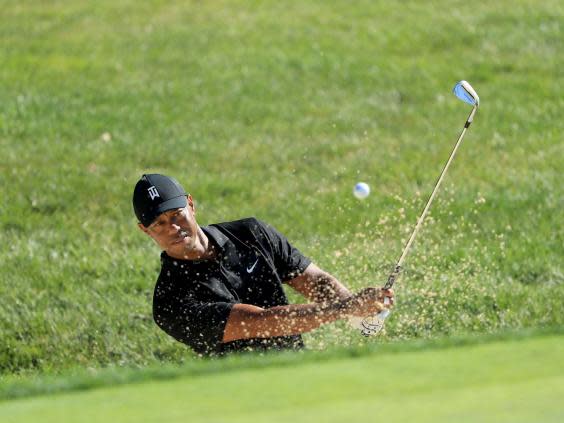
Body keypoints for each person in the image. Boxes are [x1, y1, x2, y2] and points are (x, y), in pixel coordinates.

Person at [133, 174, 393, 356]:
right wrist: (346, 307)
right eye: (159, 224)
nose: (174, 228)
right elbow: (264, 322)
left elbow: (314, 280)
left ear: (190, 204)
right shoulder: (170, 302)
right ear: (145, 230)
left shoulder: (251, 233)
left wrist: (359, 312)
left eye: (176, 214)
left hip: (298, 368)